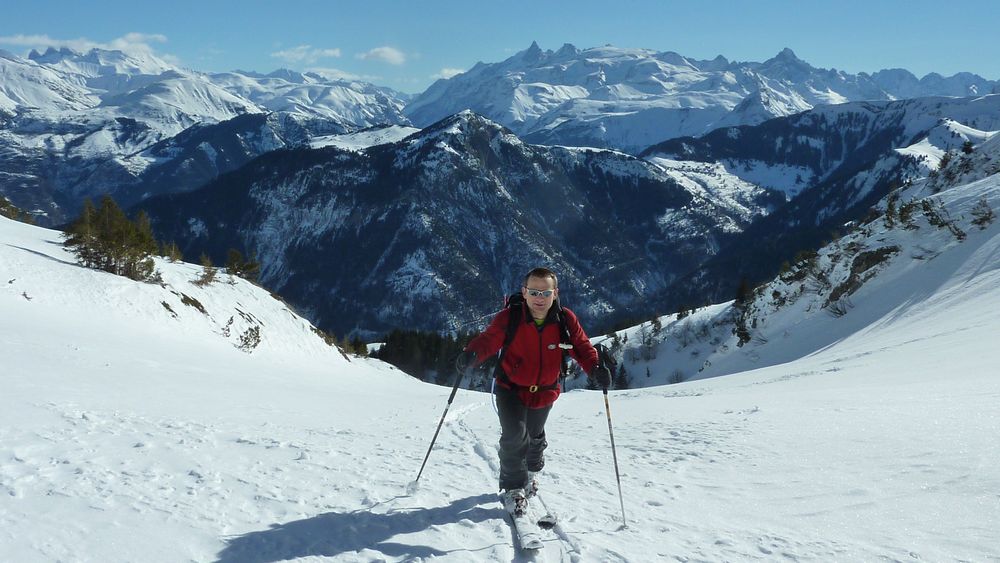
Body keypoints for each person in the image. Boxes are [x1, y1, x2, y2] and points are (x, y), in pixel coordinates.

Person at [456, 267, 612, 515]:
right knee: (514, 436)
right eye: (534, 292)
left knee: (534, 435)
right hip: (510, 388)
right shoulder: (510, 318)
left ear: (555, 293)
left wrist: (595, 368)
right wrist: (472, 354)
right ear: (524, 292)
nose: (540, 298)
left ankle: (533, 470)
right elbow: (489, 339)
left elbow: (581, 347)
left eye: (546, 292)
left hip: (546, 390)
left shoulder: (565, 320)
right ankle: (514, 489)